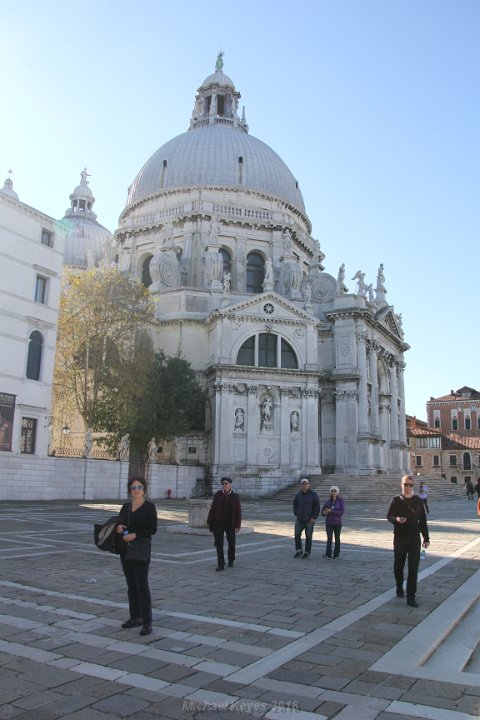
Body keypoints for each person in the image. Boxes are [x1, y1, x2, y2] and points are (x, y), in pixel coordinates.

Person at [116, 477, 157, 635]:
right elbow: (120, 522)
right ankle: (135, 617)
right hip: (126, 549)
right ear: (130, 490)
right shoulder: (126, 506)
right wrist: (119, 527)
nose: (136, 490)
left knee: (142, 585)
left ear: (144, 489)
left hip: (140, 548)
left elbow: (152, 529)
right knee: (131, 584)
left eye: (139, 487)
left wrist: (135, 535)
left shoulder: (149, 507)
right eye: (133, 487)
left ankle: (147, 621)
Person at [387, 475, 430, 607]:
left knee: (413, 568)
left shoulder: (418, 501)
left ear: (413, 486)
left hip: (414, 538)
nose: (408, 487)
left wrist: (426, 538)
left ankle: (411, 596)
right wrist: (396, 520)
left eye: (410, 485)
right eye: (406, 484)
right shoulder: (395, 500)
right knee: (398, 565)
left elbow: (423, 521)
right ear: (401, 485)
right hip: (400, 537)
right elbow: (389, 516)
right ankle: (399, 585)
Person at [207, 477, 242, 571]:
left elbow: (238, 512)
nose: (224, 485)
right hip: (219, 523)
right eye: (223, 484)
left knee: (231, 543)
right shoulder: (218, 495)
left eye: (226, 483)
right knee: (219, 544)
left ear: (230, 484)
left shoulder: (235, 496)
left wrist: (238, 525)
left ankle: (231, 560)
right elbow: (213, 509)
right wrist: (210, 521)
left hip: (230, 523)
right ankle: (220, 564)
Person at [293, 479, 320, 559]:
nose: (304, 485)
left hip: (309, 519)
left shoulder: (313, 494)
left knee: (308, 536)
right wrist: (296, 513)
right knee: (297, 535)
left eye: (306, 484)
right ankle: (299, 550)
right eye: (303, 484)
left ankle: (307, 552)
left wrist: (314, 517)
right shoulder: (298, 495)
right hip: (300, 519)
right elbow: (295, 505)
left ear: (308, 485)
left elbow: (317, 506)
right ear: (301, 485)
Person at [321, 485, 345, 559]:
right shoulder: (328, 502)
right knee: (329, 538)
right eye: (332, 491)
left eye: (335, 491)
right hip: (329, 522)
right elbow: (322, 512)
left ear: (337, 492)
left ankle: (336, 553)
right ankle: (328, 554)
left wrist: (332, 511)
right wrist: (324, 513)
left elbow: (342, 512)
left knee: (337, 538)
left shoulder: (340, 501)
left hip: (338, 522)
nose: (333, 492)